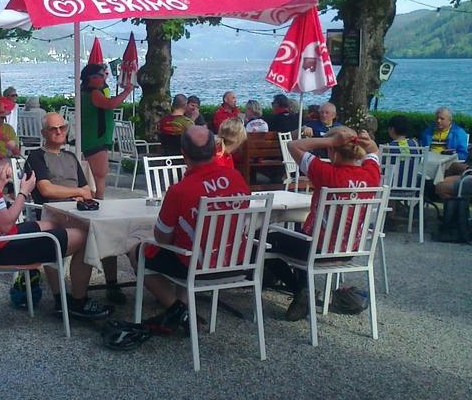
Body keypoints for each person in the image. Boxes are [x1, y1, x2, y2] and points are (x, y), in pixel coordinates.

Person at [0, 116, 112, 319]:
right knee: (83, 235)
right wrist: (23, 192)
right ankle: (78, 302)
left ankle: (62, 297)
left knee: (51, 224)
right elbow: (6, 224)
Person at [128, 126, 251, 333]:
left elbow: (161, 238)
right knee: (189, 246)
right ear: (215, 151)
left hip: (198, 266)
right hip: (235, 262)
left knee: (137, 251)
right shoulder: (236, 178)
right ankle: (180, 307)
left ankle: (178, 310)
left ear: (184, 154)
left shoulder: (180, 191)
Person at [274, 127, 382, 321]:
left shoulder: (325, 172)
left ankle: (301, 289)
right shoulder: (371, 174)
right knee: (301, 229)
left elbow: (293, 145)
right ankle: (303, 291)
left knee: (260, 239)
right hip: (348, 251)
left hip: (316, 250)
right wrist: (365, 142)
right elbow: (374, 151)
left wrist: (330, 141)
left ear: (333, 150)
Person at [26, 112, 125, 305]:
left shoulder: (71, 156)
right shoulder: (37, 156)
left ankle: (111, 284)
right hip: (52, 213)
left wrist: (78, 192)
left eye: (62, 128)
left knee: (106, 227)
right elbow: (46, 189)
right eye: (53, 129)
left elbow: (87, 190)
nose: (59, 132)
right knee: (91, 232)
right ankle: (72, 299)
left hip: (77, 208)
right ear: (43, 133)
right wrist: (76, 191)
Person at [79, 62, 133, 199]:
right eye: (102, 76)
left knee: (98, 175)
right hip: (96, 138)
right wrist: (126, 92)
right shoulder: (93, 93)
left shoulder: (85, 92)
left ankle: (98, 199)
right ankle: (99, 201)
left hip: (94, 137)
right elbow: (110, 104)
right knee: (100, 175)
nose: (104, 79)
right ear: (92, 78)